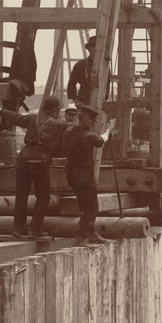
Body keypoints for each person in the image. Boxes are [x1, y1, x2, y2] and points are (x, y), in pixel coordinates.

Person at [0, 95, 66, 238]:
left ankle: (17, 228)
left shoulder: (34, 118)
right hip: (40, 158)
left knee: (21, 195)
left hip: (23, 157)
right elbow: (74, 130)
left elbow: (16, 117)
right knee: (43, 196)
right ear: (55, 111)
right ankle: (35, 229)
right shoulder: (58, 124)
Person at [62, 105, 115, 245]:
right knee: (92, 206)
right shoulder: (87, 135)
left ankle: (91, 234)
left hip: (71, 173)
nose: (92, 123)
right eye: (92, 120)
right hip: (83, 173)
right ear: (85, 119)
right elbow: (100, 141)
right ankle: (80, 236)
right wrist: (109, 130)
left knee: (84, 204)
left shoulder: (68, 131)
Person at [66, 35, 103, 106]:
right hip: (84, 102)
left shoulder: (104, 66)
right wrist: (76, 101)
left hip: (99, 101)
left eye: (97, 47)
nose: (96, 49)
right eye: (93, 46)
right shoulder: (80, 65)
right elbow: (71, 84)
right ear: (89, 49)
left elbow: (107, 85)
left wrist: (105, 98)